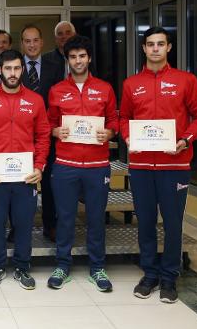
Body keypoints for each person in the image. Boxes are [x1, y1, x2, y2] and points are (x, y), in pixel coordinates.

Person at [120, 27, 197, 303]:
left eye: (160, 44)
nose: (155, 49)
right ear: (144, 49)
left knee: (172, 224)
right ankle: (150, 274)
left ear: (169, 47)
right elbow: (124, 117)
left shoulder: (186, 80)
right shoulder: (131, 84)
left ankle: (170, 277)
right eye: (150, 44)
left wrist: (185, 139)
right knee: (145, 222)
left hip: (175, 165)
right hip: (142, 166)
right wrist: (127, 137)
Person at [0, 49, 50, 290]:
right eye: (8, 68)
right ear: (0, 70)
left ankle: (22, 266)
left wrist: (39, 166)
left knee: (24, 223)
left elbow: (44, 136)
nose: (13, 73)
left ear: (23, 69)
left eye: (17, 68)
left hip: (25, 176)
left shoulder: (35, 100)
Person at [46, 35, 119, 292]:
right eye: (73, 57)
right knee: (64, 217)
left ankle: (97, 267)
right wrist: (55, 132)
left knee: (96, 218)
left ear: (89, 58)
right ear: (68, 60)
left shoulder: (105, 88)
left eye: (82, 56)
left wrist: (109, 133)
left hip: (97, 165)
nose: (78, 61)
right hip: (66, 164)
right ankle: (62, 265)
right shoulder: (57, 90)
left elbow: (114, 121)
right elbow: (49, 123)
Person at [20, 24, 65, 243]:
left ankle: (50, 225)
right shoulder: (15, 67)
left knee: (49, 183)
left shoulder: (55, 65)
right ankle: (18, 229)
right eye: (27, 41)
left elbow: (59, 100)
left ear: (42, 42)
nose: (31, 44)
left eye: (35, 40)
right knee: (19, 183)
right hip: (21, 134)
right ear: (22, 44)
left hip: (48, 134)